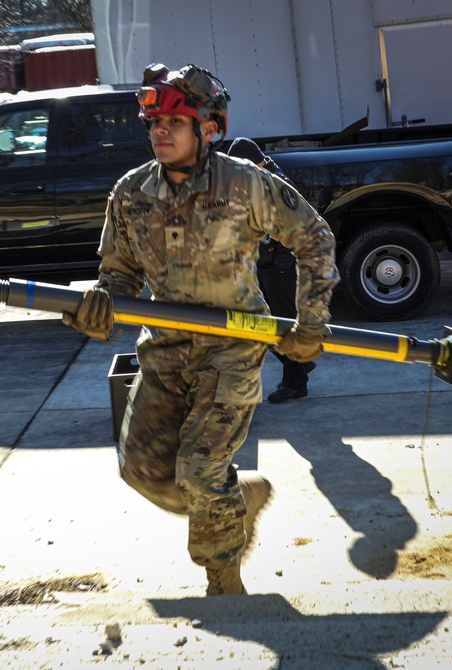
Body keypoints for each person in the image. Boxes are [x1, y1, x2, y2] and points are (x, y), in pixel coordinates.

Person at [62, 63, 339, 596]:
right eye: (152, 121)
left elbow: (315, 238)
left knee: (199, 469)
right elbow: (118, 274)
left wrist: (310, 323)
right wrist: (99, 309)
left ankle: (224, 583)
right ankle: (239, 501)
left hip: (233, 347)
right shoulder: (131, 192)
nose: (158, 131)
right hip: (164, 349)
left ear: (208, 127)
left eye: (173, 121)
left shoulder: (245, 184)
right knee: (141, 470)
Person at [226, 137, 317, 403]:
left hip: (278, 266)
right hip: (262, 263)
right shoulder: (255, 178)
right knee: (260, 325)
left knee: (282, 323)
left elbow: (297, 227)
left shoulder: (276, 183)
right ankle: (299, 362)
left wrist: (279, 263)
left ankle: (296, 383)